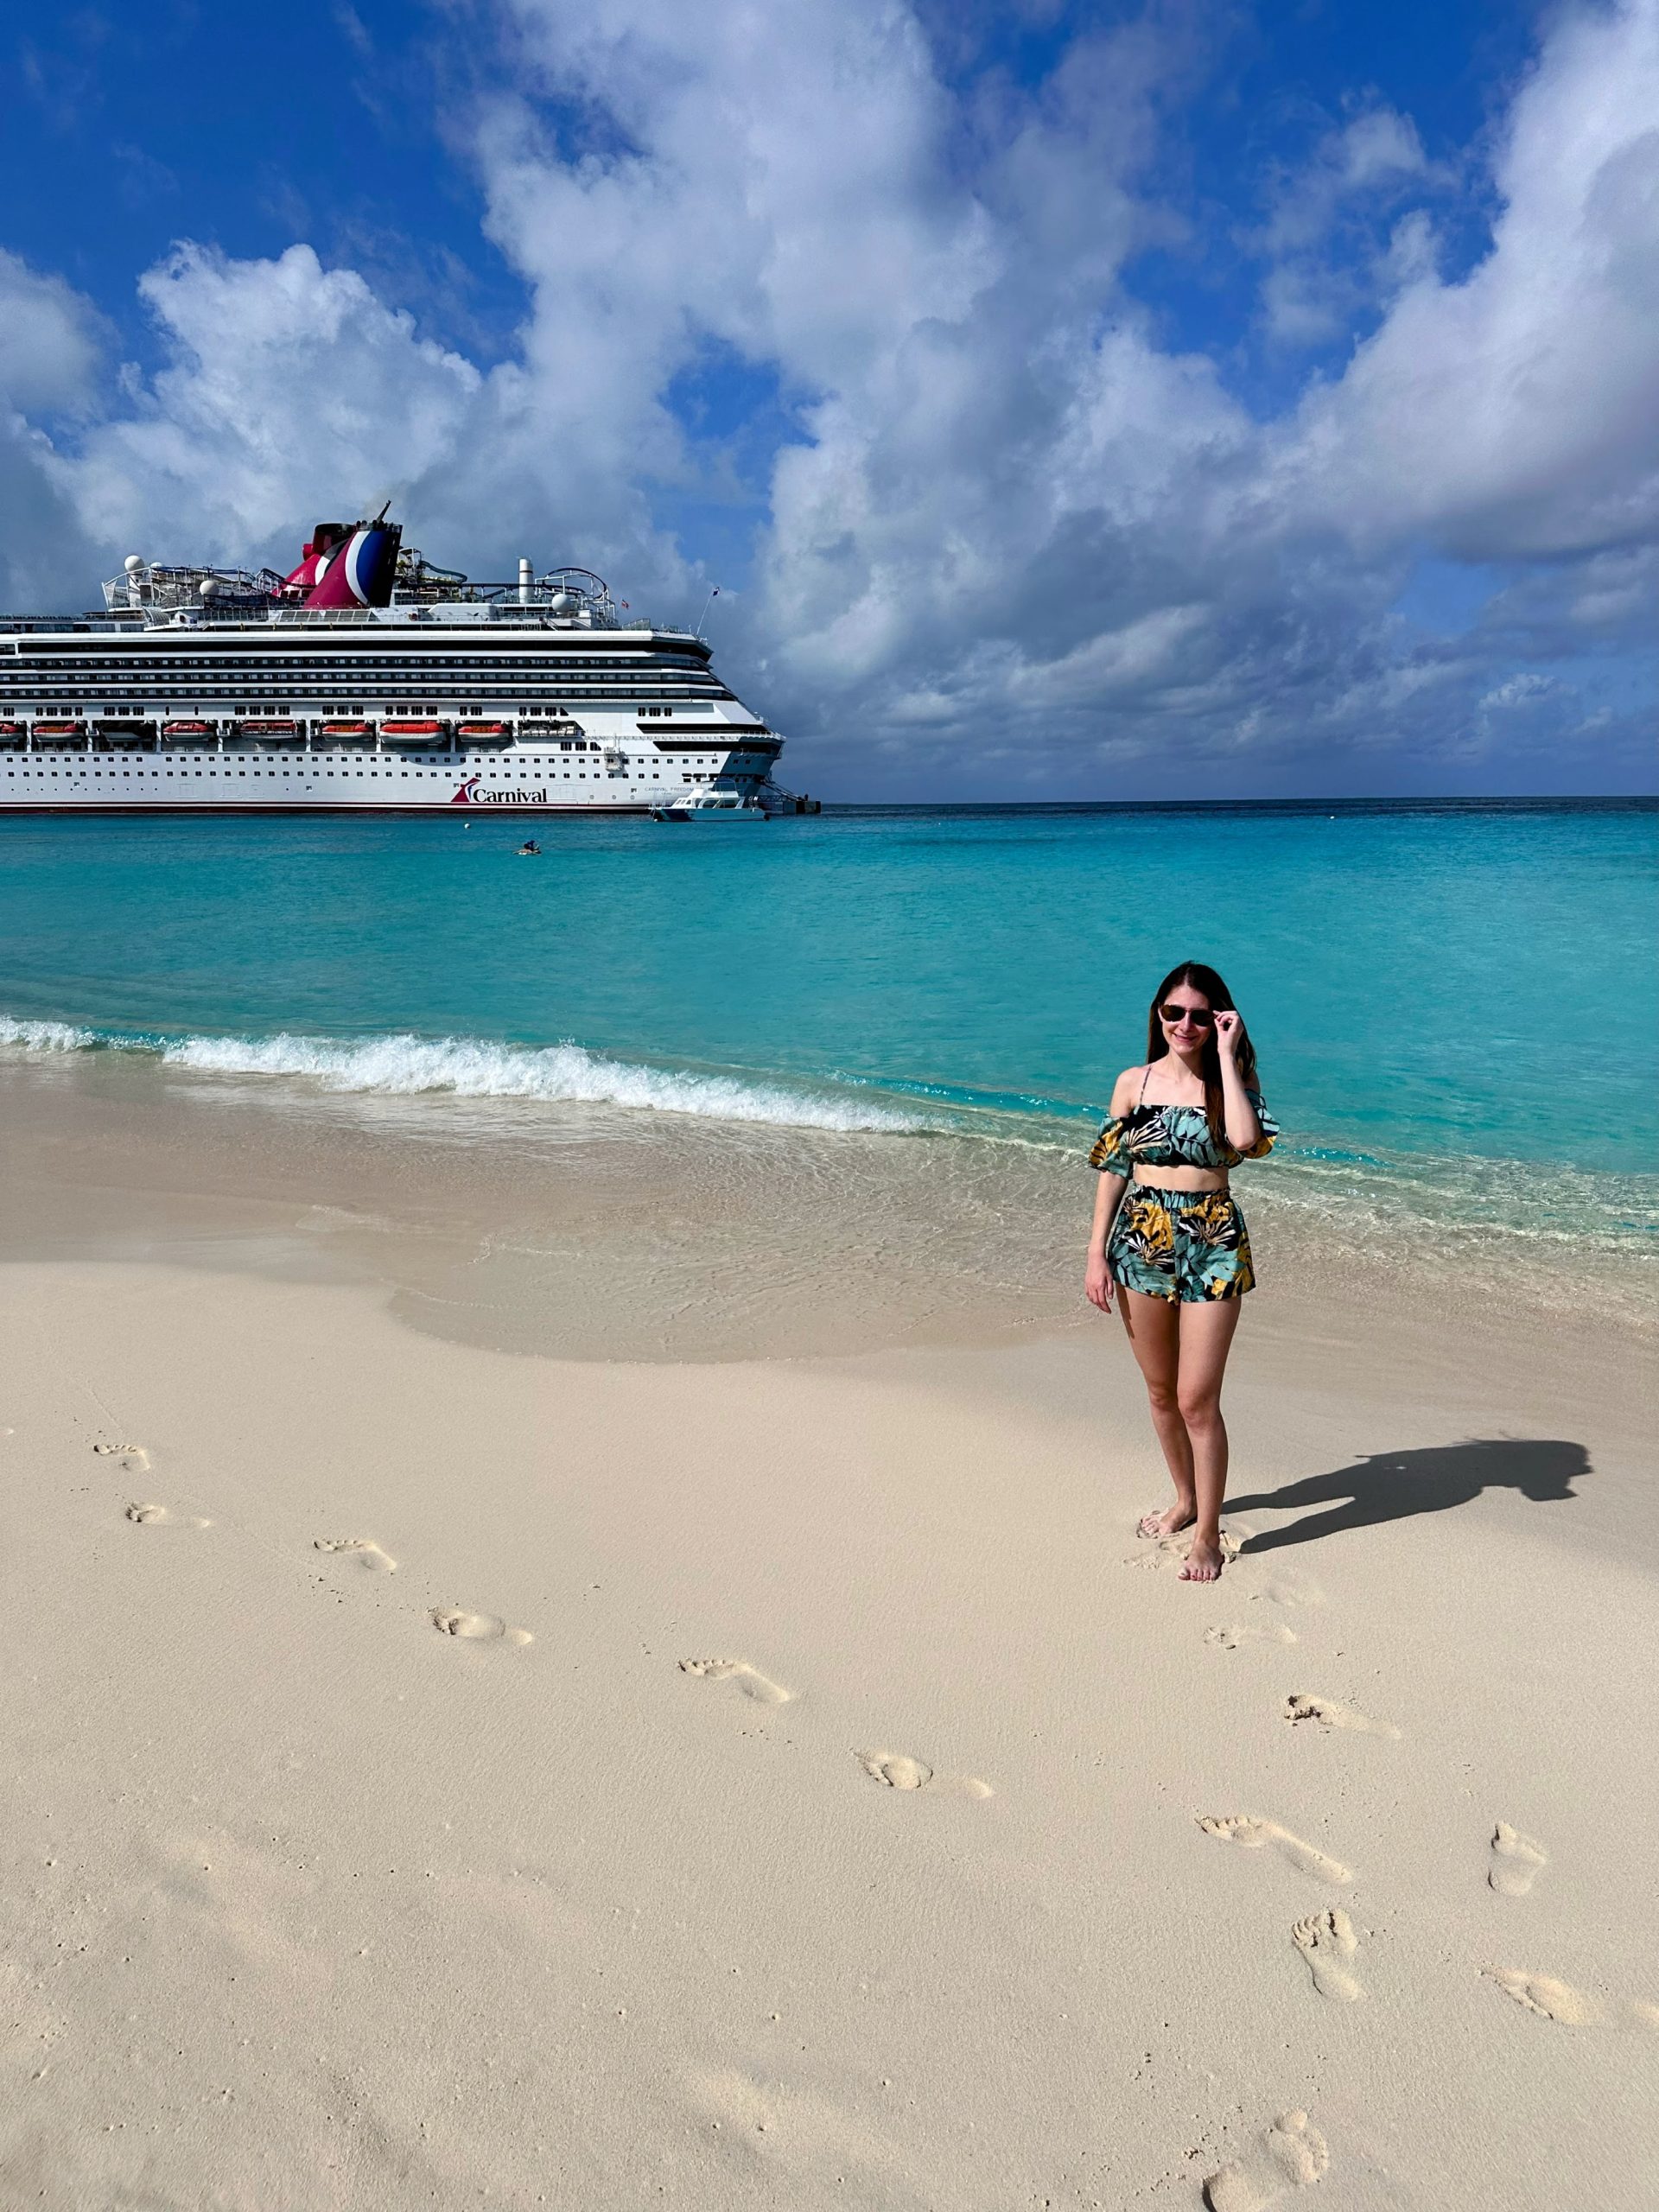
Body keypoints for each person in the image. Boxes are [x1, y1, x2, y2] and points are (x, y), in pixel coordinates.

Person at [1084, 963, 1277, 1581]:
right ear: (1158, 1015)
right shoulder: (1133, 1083)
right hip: (1141, 1238)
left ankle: (1209, 1536)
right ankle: (1186, 1500)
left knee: (1198, 1399)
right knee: (1161, 1392)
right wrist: (1095, 1253)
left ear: (1218, 1018)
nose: (1186, 1024)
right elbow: (1114, 1168)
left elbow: (1245, 1143)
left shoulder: (1232, 1079)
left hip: (1213, 1239)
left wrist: (1226, 1052)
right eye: (1175, 1013)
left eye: (1200, 1014)